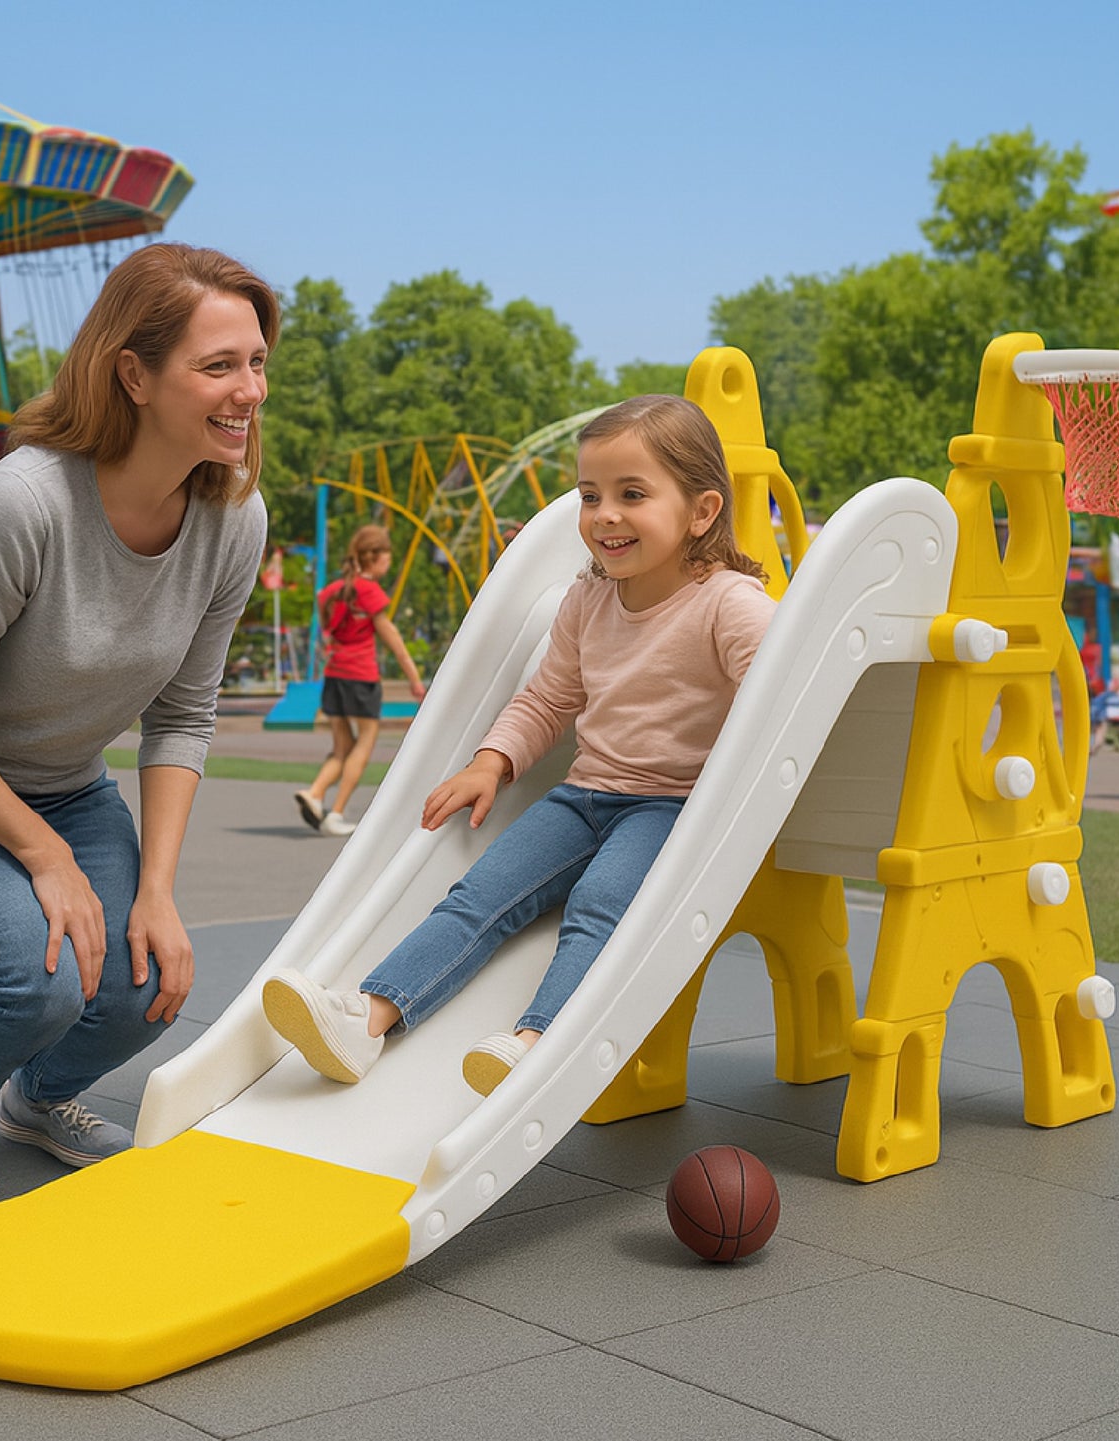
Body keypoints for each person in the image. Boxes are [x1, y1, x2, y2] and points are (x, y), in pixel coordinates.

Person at [0, 243, 279, 1201]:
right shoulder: (22, 504)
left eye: (256, 362)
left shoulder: (232, 519)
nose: (248, 389)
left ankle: (39, 1098)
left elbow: (183, 713)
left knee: (140, 978)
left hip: (65, 779)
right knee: (44, 975)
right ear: (133, 373)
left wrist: (157, 890)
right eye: (218, 366)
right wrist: (48, 860)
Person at [264, 394, 777, 1095]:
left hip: (672, 805)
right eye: (590, 494)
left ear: (701, 511)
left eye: (632, 494)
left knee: (600, 904)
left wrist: (735, 797)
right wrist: (491, 761)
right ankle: (369, 1018)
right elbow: (547, 699)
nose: (605, 515)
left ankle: (538, 1039)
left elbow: (778, 696)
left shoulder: (728, 603)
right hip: (585, 795)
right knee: (477, 894)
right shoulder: (587, 600)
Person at [293, 524, 425, 838]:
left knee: (342, 747)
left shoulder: (335, 590)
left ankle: (314, 793)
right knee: (365, 741)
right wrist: (414, 680)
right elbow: (392, 639)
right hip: (361, 675)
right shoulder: (370, 593)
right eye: (387, 557)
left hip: (335, 674)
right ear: (375, 557)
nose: (389, 563)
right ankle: (335, 813)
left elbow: (326, 623)